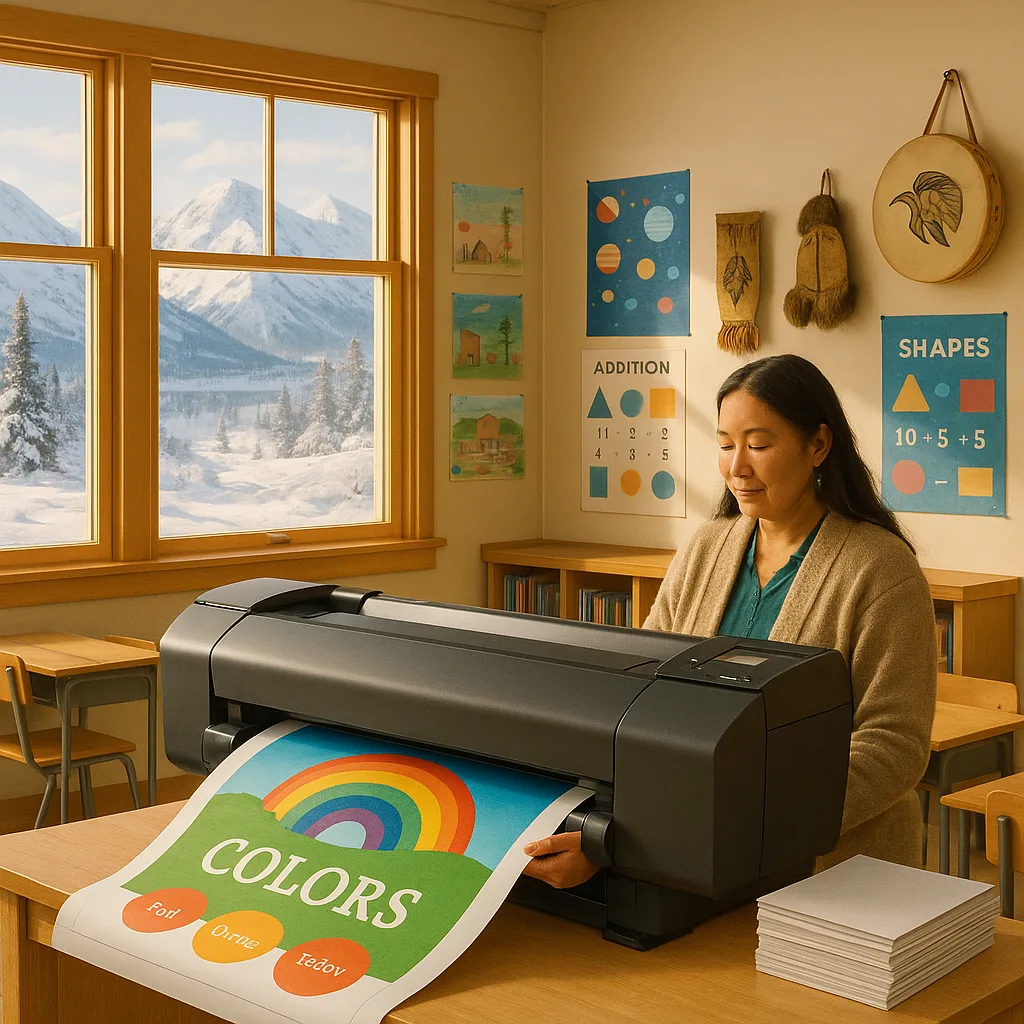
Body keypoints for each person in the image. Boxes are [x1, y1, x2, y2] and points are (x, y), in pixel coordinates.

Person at [523, 353, 936, 889]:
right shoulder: (706, 548)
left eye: (759, 446)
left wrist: (744, 823)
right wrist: (618, 828)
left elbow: (894, 745)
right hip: (694, 855)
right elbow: (643, 699)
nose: (737, 466)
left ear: (818, 446)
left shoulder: (880, 568)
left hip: (836, 872)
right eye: (724, 444)